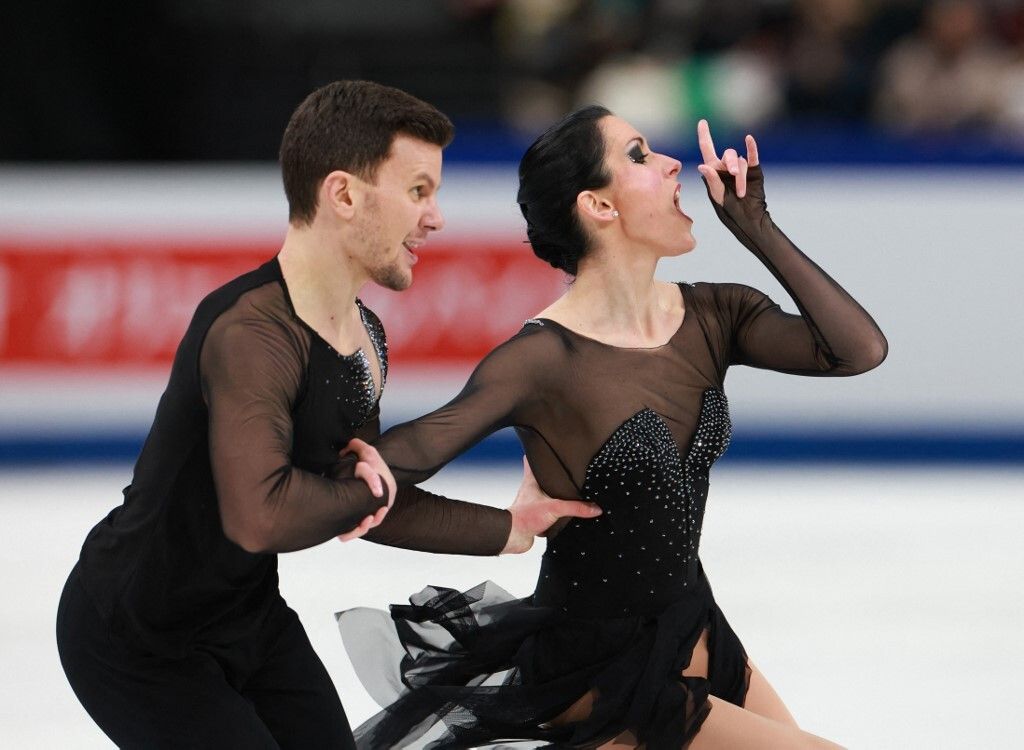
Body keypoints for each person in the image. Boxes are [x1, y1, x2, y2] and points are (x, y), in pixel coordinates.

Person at [55, 80, 600, 750]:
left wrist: (511, 529)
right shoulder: (251, 334)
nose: (436, 218)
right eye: (419, 191)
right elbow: (266, 516)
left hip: (247, 619)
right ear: (343, 195)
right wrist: (363, 490)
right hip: (136, 636)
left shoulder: (363, 335)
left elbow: (367, 502)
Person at [337, 107, 888, 748]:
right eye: (639, 154)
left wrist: (757, 228)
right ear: (598, 205)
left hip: (693, 626)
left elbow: (856, 351)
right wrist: (504, 530)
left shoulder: (714, 315)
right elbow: (364, 485)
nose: (672, 163)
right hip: (597, 666)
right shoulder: (542, 360)